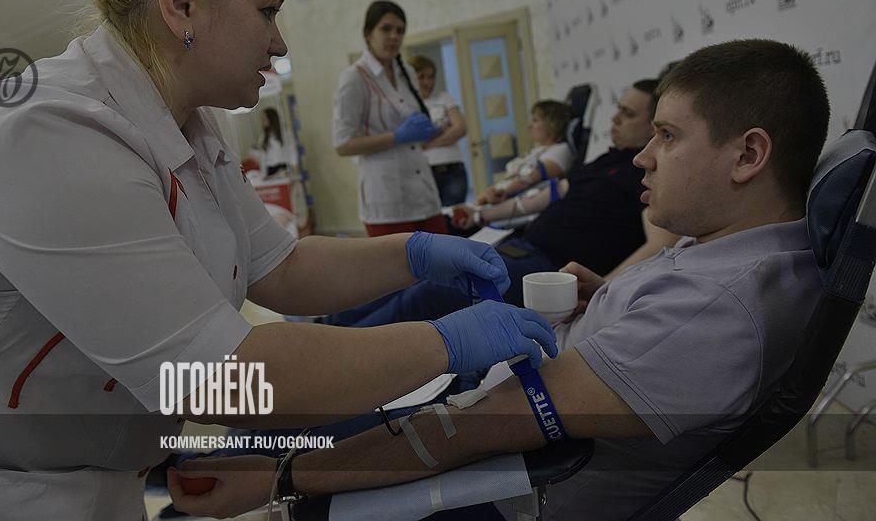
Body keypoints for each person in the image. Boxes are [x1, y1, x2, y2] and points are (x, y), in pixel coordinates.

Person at [0, 0, 558, 519]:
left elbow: (282, 267)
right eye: (268, 10)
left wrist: (413, 254)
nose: (280, 41)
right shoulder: (51, 136)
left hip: (96, 474)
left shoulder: (187, 119)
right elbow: (219, 381)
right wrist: (444, 343)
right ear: (182, 3)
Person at [168, 38, 831, 521]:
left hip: (503, 487)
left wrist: (285, 478)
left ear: (748, 154)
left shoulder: (712, 309)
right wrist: (610, 300)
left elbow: (478, 428)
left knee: (290, 439)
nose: (643, 157)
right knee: (308, 405)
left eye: (667, 136)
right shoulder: (741, 251)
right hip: (504, 417)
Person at [326, 80, 658, 327]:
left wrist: (601, 296)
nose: (615, 119)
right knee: (421, 275)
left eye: (628, 114)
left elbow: (658, 244)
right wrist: (481, 214)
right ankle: (329, 323)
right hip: (521, 246)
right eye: (617, 109)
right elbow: (552, 193)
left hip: (546, 269)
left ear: (655, 126)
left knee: (424, 297)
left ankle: (333, 349)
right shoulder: (609, 159)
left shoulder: (648, 175)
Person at [333, 0, 447, 237]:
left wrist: (428, 130)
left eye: (400, 30)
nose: (394, 36)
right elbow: (343, 144)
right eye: (386, 29)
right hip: (387, 201)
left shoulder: (408, 74)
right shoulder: (354, 78)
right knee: (400, 262)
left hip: (424, 192)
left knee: (441, 257)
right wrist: (396, 136)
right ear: (368, 34)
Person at [473, 100, 576, 207]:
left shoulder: (562, 150)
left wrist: (502, 192)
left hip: (514, 202)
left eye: (535, 121)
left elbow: (529, 178)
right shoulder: (537, 150)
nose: (529, 125)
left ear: (553, 124)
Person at [410, 55, 470, 206]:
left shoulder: (444, 98)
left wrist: (428, 143)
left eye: (431, 77)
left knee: (455, 216)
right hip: (424, 174)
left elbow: (460, 129)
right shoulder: (407, 106)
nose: (427, 82)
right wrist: (443, 130)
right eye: (421, 77)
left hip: (453, 171)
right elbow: (412, 140)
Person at [257, 107, 292, 176]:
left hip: (282, 168)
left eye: (264, 118)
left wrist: (291, 170)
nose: (262, 121)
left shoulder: (284, 133)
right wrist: (264, 173)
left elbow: (291, 152)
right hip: (270, 169)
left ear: (271, 118)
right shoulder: (263, 136)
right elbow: (263, 157)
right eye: (262, 119)